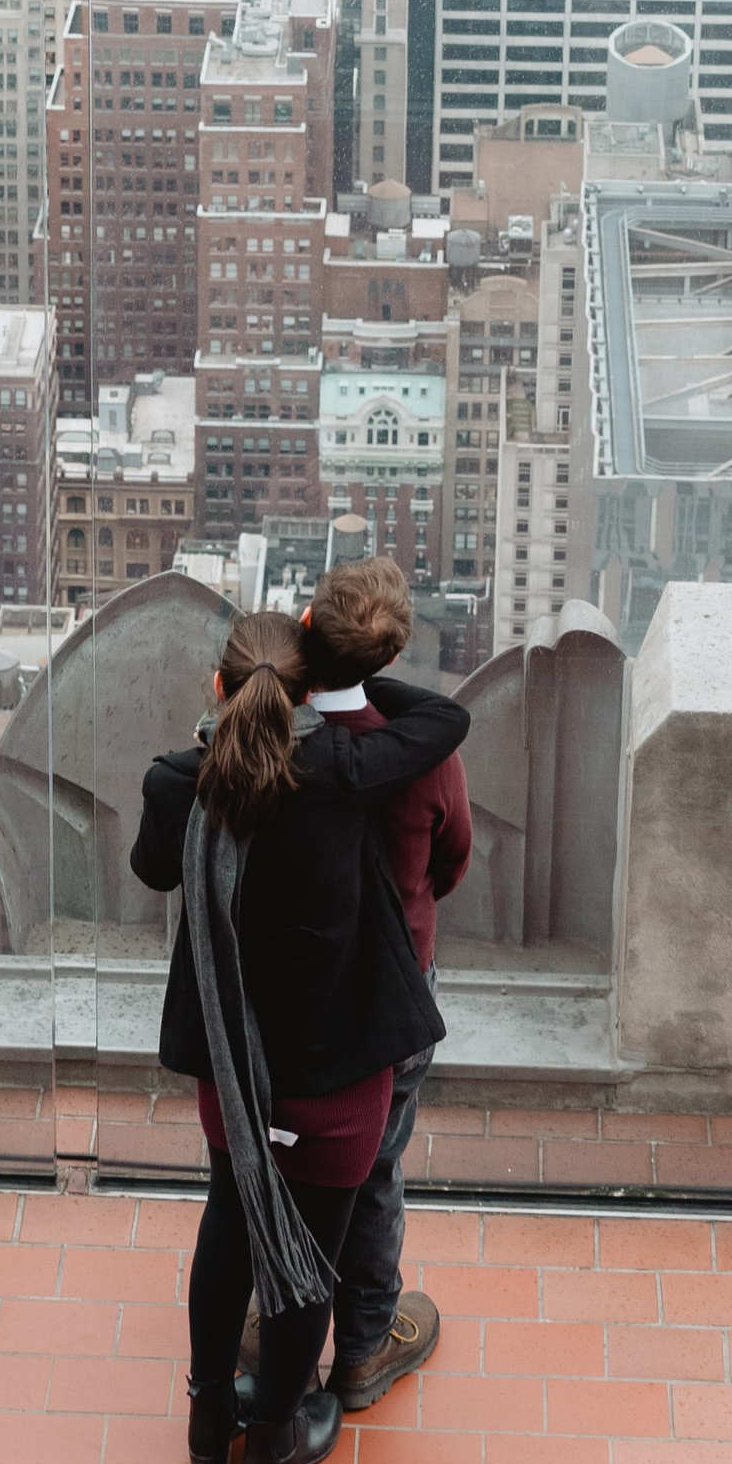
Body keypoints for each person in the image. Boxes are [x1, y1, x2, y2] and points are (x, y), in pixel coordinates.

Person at [131, 607, 471, 1464]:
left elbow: (152, 870)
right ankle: (280, 1430)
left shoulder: (180, 784)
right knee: (312, 1249)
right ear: (306, 692)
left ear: (219, 687)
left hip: (232, 1080)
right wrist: (336, 667)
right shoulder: (340, 770)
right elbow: (445, 721)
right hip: (336, 1082)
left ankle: (210, 1420)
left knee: (229, 1224)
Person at [299, 555, 472, 1413]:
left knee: (288, 1146)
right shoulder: (423, 758)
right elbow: (453, 859)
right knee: (376, 1164)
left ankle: (284, 1310)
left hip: (296, 984)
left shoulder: (279, 742)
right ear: (391, 651)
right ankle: (364, 1344)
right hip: (397, 989)